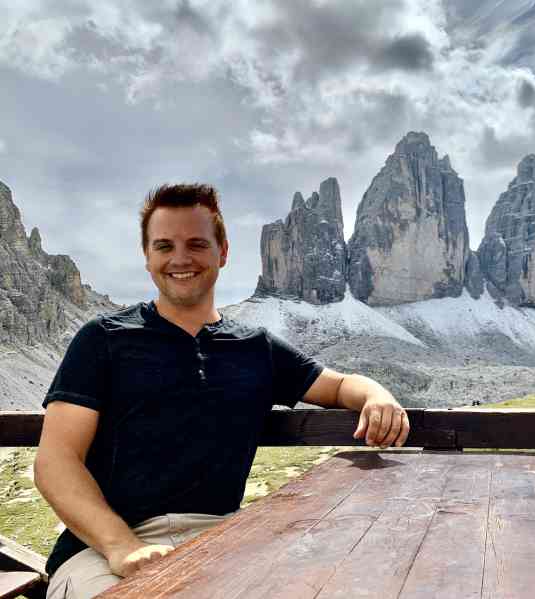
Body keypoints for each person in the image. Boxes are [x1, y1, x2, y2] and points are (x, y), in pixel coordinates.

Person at [34, 184, 410, 599]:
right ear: (147, 257)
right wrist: (122, 547)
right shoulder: (102, 339)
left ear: (223, 252)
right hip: (101, 550)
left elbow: (338, 385)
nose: (180, 259)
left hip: (222, 539)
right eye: (164, 246)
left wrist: (376, 395)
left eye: (196, 244)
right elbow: (56, 462)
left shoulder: (257, 348)